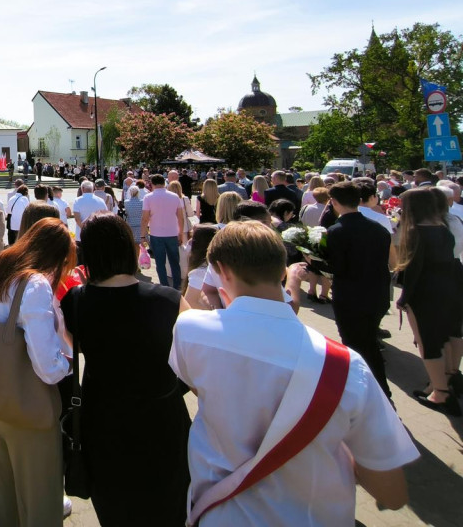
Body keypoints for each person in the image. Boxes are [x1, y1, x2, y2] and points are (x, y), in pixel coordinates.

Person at [170, 220, 418, 526]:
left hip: (221, 515)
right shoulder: (347, 366)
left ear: (222, 270)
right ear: (283, 270)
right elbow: (392, 493)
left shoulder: (191, 330)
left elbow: (199, 382)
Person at [63, 214, 191, 525]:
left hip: (102, 422)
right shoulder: (169, 300)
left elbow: (66, 351)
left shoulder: (75, 302)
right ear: (131, 249)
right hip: (162, 418)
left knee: (115, 509)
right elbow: (194, 364)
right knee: (170, 509)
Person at [0, 218, 73, 526]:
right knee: (39, 501)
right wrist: (69, 363)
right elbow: (47, 366)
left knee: (1, 499)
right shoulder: (35, 283)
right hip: (29, 406)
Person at [395, 187, 463, 415]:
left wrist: (404, 298)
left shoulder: (416, 232)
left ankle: (440, 393)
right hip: (449, 290)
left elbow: (414, 270)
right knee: (443, 338)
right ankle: (444, 382)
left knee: (428, 343)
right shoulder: (443, 228)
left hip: (426, 294)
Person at [326, 182, 393, 401]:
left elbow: (337, 268)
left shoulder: (337, 232)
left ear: (334, 203)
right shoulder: (379, 228)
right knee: (369, 342)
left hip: (351, 298)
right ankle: (378, 391)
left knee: (358, 347)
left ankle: (377, 394)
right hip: (378, 295)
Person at [142, 174, 187, 289]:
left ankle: (164, 286)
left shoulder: (148, 197)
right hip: (172, 233)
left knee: (160, 263)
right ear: (164, 182)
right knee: (174, 262)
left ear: (152, 184)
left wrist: (143, 235)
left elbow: (145, 218)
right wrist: (181, 233)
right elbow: (181, 217)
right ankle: (177, 285)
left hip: (156, 234)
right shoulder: (175, 196)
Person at [183, 223, 218, 310]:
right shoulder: (212, 267)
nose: (189, 242)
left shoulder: (200, 273)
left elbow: (189, 302)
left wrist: (212, 313)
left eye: (192, 239)